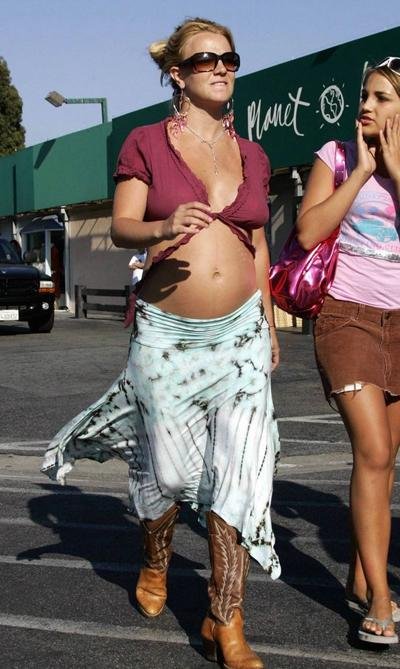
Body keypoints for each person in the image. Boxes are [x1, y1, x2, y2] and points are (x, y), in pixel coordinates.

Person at [42, 17, 280, 667]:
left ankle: (226, 618)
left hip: (239, 334)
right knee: (169, 474)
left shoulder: (254, 153)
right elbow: (122, 224)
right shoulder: (146, 142)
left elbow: (258, 243)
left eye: (230, 58)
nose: (222, 68)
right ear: (177, 73)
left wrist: (265, 316)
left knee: (240, 476)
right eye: (206, 59)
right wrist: (162, 226)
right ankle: (156, 556)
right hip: (168, 334)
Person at [296, 57, 400, 645]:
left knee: (384, 462)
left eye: (382, 97)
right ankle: (381, 600)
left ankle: (362, 575)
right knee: (374, 450)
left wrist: (395, 169)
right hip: (347, 317)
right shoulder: (335, 156)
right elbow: (308, 232)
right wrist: (361, 173)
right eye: (365, 94)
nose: (366, 105)